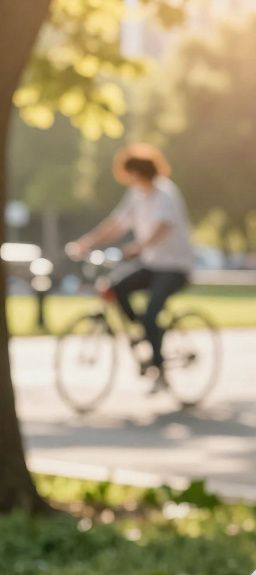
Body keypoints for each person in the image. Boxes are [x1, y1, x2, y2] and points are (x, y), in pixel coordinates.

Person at [69, 143, 194, 393]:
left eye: (132, 174)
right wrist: (87, 242)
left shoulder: (165, 193)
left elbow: (163, 227)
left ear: (141, 172)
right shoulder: (137, 194)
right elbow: (116, 223)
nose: (130, 179)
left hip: (174, 266)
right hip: (151, 264)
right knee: (115, 288)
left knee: (150, 314)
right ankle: (146, 332)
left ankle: (159, 371)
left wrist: (138, 246)